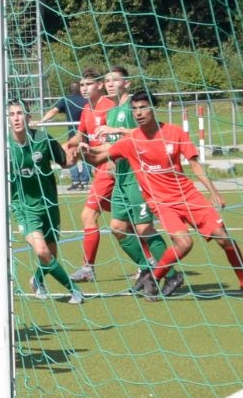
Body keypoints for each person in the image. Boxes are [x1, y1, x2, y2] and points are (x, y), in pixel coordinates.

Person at [84, 92, 243, 300]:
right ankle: (156, 277)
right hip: (162, 203)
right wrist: (83, 151)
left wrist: (214, 193)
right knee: (184, 243)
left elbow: (195, 165)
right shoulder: (130, 140)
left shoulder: (174, 132)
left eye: (143, 108)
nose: (139, 113)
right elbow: (97, 159)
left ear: (153, 109)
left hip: (188, 196)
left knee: (224, 238)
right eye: (135, 109)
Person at [67, 67, 172, 285]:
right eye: (108, 81)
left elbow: (147, 135)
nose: (110, 84)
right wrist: (85, 150)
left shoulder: (131, 108)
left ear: (127, 83)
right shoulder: (109, 112)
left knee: (139, 226)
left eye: (114, 80)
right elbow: (111, 146)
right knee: (119, 226)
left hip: (133, 175)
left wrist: (117, 132)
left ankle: (169, 275)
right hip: (117, 174)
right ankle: (147, 268)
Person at [6, 100, 84, 303]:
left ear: (28, 117)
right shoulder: (3, 146)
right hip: (23, 207)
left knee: (51, 254)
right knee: (42, 251)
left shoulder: (42, 139)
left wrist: (78, 154)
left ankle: (37, 280)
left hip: (49, 205)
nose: (16, 118)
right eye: (12, 114)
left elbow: (65, 162)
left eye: (20, 113)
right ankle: (74, 289)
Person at [40, 79, 91, 190]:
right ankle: (85, 181)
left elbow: (54, 111)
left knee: (71, 154)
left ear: (70, 89)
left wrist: (42, 120)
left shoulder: (66, 99)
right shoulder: (87, 100)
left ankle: (76, 181)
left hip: (73, 133)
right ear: (80, 88)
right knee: (86, 155)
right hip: (86, 132)